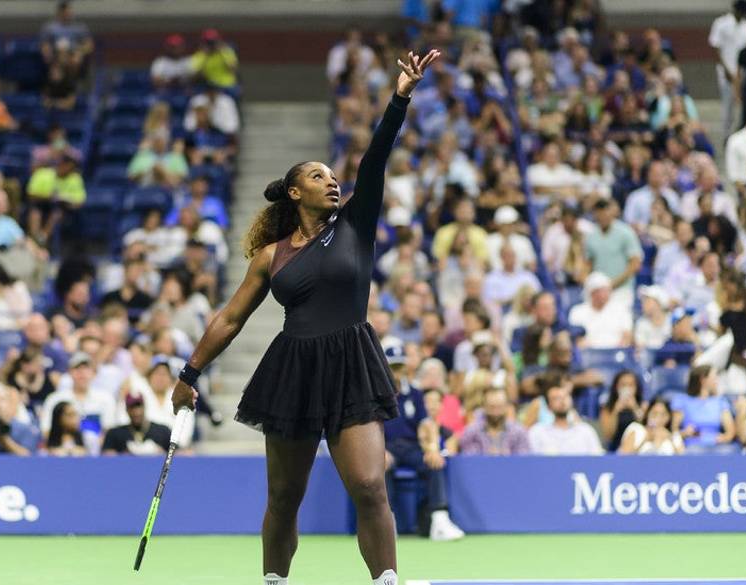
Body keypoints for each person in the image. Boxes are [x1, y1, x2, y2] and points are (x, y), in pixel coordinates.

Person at [170, 51, 439, 585]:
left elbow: (375, 158)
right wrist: (188, 375)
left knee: (368, 485)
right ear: (296, 193)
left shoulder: (356, 224)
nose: (332, 181)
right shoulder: (270, 255)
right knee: (285, 496)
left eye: (333, 175)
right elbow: (229, 320)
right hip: (293, 366)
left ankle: (386, 580)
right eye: (319, 176)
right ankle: (274, 580)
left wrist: (400, 96)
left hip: (351, 360)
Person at [381, 342, 464, 541]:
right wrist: (378, 451)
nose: (396, 372)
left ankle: (439, 520)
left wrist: (433, 448)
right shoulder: (376, 396)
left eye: (400, 367)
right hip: (387, 448)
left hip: (411, 447)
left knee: (434, 462)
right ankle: (385, 523)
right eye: (392, 367)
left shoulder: (416, 394)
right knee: (380, 466)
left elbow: (426, 425)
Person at [527, 375, 604, 455]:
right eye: (556, 398)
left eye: (565, 396)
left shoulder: (585, 431)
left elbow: (598, 460)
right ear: (548, 407)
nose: (562, 401)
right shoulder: (537, 432)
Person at [709, 0, 746, 140]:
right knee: (727, 104)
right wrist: (727, 70)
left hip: (741, 72)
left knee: (741, 104)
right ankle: (726, 135)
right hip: (726, 71)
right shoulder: (721, 23)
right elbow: (716, 48)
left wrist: (740, 73)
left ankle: (739, 132)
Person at [671, 365, 737, 453]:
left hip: (717, 446)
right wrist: (685, 433)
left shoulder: (720, 401)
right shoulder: (682, 400)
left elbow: (730, 432)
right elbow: (675, 432)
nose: (716, 381)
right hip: (693, 447)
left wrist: (723, 438)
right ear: (703, 379)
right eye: (714, 377)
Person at [457, 387, 530, 455]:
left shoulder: (518, 432)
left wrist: (508, 458)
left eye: (499, 407)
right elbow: (469, 459)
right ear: (484, 406)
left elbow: (524, 459)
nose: (496, 412)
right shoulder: (472, 432)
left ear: (506, 406)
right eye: (492, 407)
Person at [102, 393, 171, 455]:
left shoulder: (162, 431)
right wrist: (123, 455)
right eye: (132, 408)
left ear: (144, 407)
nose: (136, 412)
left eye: (139, 406)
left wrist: (161, 453)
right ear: (126, 410)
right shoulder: (115, 433)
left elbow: (179, 454)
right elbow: (106, 456)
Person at [599, 369, 647, 452]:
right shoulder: (608, 408)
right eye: (623, 385)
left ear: (636, 387)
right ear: (616, 387)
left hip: (638, 448)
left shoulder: (643, 406)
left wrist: (635, 408)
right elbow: (608, 435)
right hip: (615, 449)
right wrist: (615, 411)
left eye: (631, 385)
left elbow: (646, 428)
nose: (627, 389)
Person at [618, 397, 685, 455]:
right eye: (654, 413)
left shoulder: (674, 437)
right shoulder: (637, 429)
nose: (658, 418)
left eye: (663, 415)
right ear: (647, 414)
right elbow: (623, 459)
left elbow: (684, 463)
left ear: (668, 417)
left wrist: (670, 439)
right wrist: (645, 440)